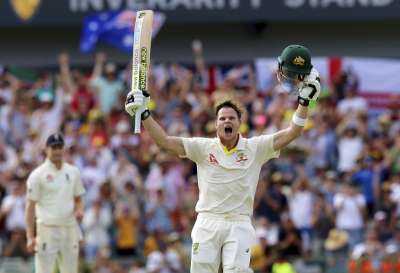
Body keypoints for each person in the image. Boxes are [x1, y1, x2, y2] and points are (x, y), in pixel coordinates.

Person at [125, 44, 321, 273]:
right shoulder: (202, 147)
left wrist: (305, 102)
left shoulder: (255, 148)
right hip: (207, 221)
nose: (226, 122)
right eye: (222, 119)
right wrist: (145, 114)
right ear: (216, 124)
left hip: (239, 223)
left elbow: (292, 132)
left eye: (231, 118)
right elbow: (165, 141)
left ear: (239, 123)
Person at [24, 133, 85, 273]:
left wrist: (79, 210)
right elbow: (30, 208)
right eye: (54, 148)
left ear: (64, 149)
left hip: (69, 228)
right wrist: (29, 236)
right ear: (46, 149)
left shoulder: (73, 172)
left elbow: (79, 200)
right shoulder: (37, 175)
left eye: (60, 147)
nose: (57, 151)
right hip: (47, 229)